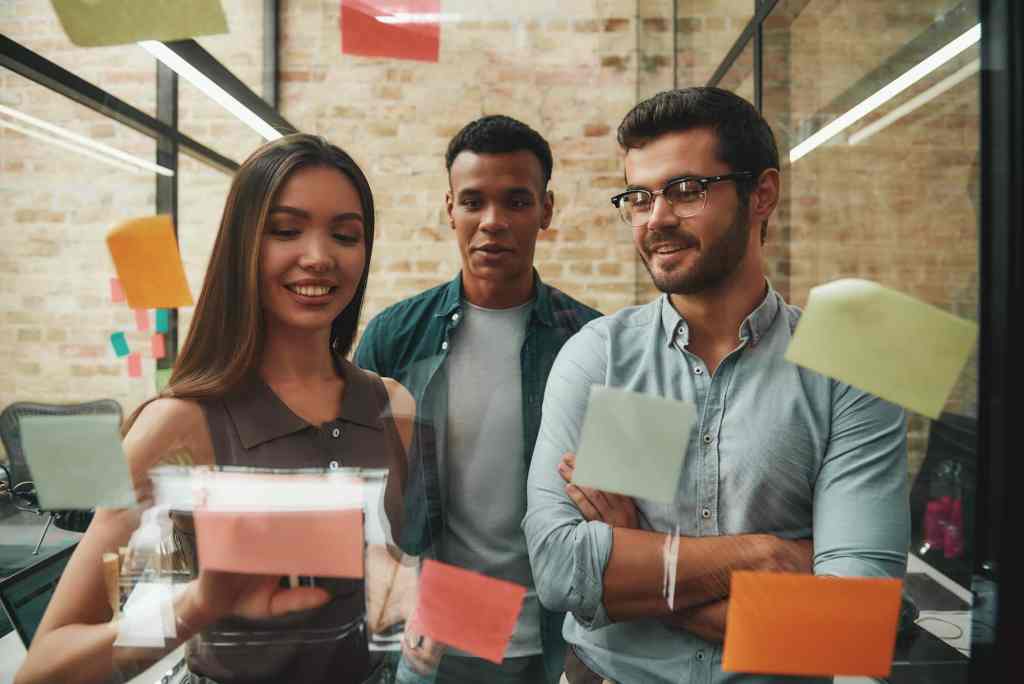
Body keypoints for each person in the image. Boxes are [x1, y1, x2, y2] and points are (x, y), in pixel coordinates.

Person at [523, 87, 910, 684]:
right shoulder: (604, 359)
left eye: (686, 190)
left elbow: (854, 623)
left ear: (762, 195)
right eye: (638, 197)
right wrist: (769, 557)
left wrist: (640, 562)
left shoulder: (849, 370)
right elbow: (559, 571)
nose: (657, 219)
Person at [16, 134, 418, 684]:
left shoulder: (393, 408)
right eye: (286, 230)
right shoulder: (179, 431)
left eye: (344, 235)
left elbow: (388, 600)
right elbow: (47, 667)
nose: (320, 256)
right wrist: (197, 604)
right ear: (243, 245)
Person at [355, 115, 601, 684]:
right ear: (449, 209)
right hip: (430, 643)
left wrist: (596, 644)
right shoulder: (395, 338)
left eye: (516, 202)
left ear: (546, 209)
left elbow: (626, 510)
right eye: (473, 202)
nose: (493, 222)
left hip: (552, 643)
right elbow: (356, 491)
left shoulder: (591, 343)